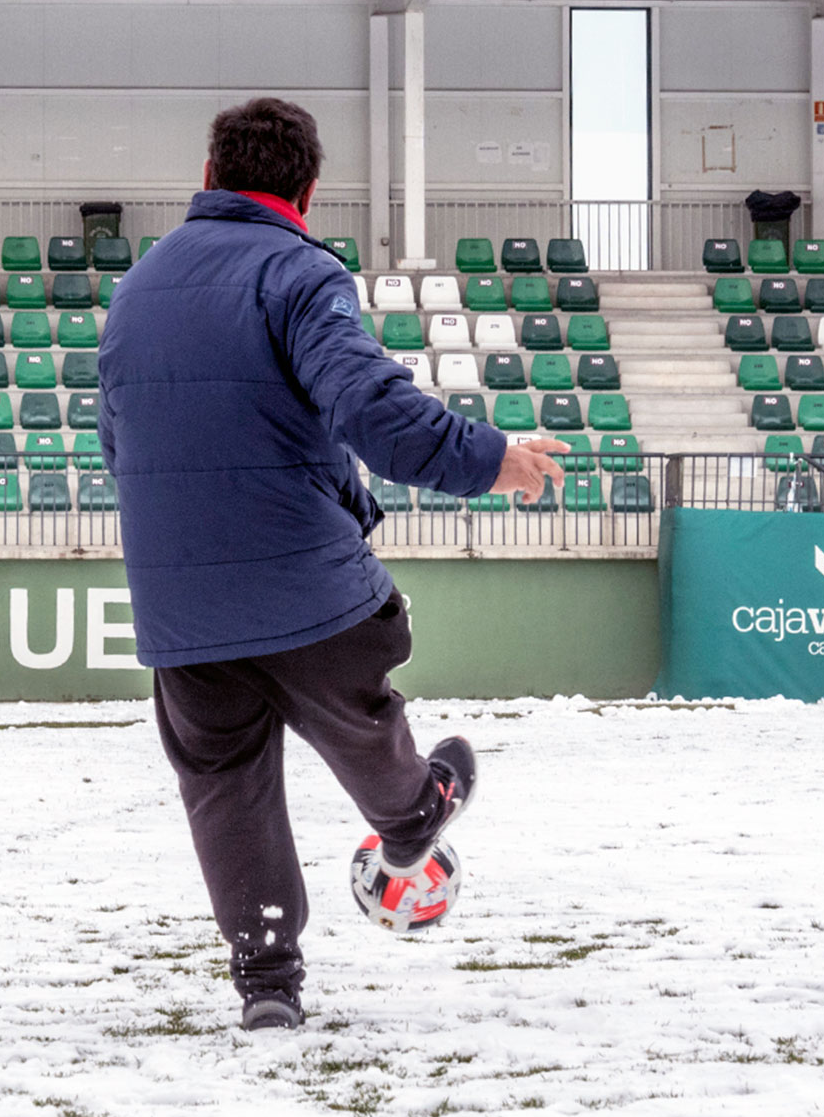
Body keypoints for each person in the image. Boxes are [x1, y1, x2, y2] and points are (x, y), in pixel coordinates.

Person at [96, 98, 565, 1031]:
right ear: (309, 190)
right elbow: (370, 406)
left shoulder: (138, 287)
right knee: (357, 703)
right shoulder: (299, 272)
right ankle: (411, 815)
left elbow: (119, 440)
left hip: (181, 603)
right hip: (302, 577)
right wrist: (489, 457)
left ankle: (268, 982)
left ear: (208, 172)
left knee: (224, 785)